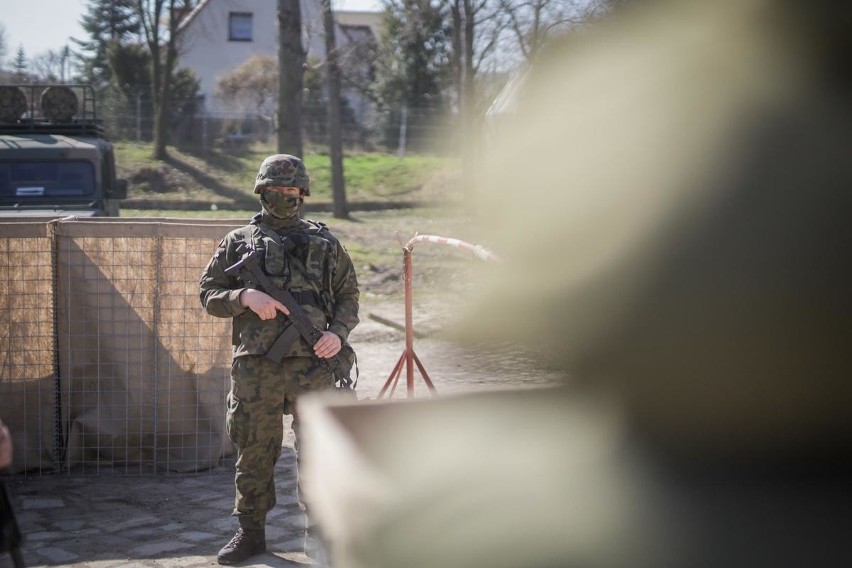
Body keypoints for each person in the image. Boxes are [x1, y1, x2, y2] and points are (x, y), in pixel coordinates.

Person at [199, 154, 359, 565]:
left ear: (303, 192)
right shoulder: (238, 241)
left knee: (319, 451)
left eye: (293, 190)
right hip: (257, 370)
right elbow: (209, 295)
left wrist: (337, 336)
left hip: (315, 367)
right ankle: (250, 532)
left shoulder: (326, 243)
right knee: (254, 451)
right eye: (277, 189)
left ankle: (322, 534)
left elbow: (348, 297)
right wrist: (244, 297)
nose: (286, 196)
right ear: (262, 191)